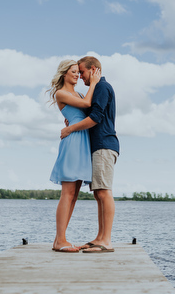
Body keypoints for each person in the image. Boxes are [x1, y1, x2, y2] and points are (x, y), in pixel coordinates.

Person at [60, 56, 119, 253]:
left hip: (103, 144)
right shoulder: (96, 88)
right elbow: (87, 112)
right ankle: (100, 238)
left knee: (104, 192)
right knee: (98, 193)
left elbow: (95, 117)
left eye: (82, 72)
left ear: (93, 70)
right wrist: (73, 119)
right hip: (97, 146)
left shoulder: (101, 87)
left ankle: (106, 240)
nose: (81, 77)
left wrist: (71, 128)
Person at [47, 59, 101, 253]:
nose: (78, 75)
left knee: (74, 195)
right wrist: (94, 82)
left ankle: (60, 240)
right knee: (67, 193)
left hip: (82, 140)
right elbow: (87, 103)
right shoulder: (61, 92)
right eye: (74, 72)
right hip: (72, 142)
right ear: (64, 74)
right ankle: (60, 240)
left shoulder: (76, 93)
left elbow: (84, 110)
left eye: (79, 72)